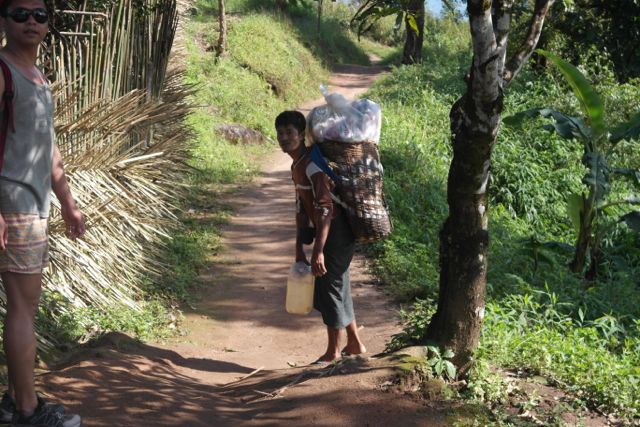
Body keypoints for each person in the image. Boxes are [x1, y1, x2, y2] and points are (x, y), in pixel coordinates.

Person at [0, 0, 84, 425]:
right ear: (3, 20)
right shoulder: (2, 70)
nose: (31, 21)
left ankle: (18, 399)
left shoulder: (37, 77)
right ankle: (27, 411)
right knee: (20, 305)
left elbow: (47, 146)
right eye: (20, 14)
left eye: (39, 14)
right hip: (11, 205)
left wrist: (67, 200)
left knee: (25, 307)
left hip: (35, 205)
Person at [275, 110, 366, 363]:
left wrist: (318, 250)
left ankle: (333, 351)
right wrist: (298, 249)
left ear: (301, 135)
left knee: (329, 289)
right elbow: (301, 209)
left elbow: (326, 209)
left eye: (289, 133)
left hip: (336, 232)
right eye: (280, 133)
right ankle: (355, 343)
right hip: (327, 234)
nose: (284, 138)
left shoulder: (313, 165)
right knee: (339, 286)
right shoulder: (297, 165)